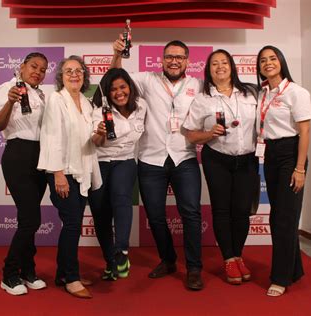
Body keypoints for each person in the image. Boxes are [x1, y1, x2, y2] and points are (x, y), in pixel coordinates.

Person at [111, 38, 204, 290]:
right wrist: (117, 54)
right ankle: (168, 259)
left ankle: (194, 268)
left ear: (187, 61)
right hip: (151, 159)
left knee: (192, 214)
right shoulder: (146, 80)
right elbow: (116, 78)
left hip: (184, 157)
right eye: (169, 57)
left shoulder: (197, 84)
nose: (174, 61)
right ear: (162, 60)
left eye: (180, 57)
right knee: (155, 216)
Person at [183, 49, 259, 285]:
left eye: (224, 62)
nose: (219, 67)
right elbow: (191, 135)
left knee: (242, 210)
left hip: (246, 159)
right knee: (222, 210)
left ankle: (238, 255)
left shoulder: (251, 93)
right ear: (208, 71)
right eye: (214, 64)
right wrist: (208, 133)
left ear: (232, 67)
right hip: (216, 158)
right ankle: (228, 258)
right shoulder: (202, 99)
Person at [37, 55, 102, 299]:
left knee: (71, 225)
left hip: (81, 172)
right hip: (63, 172)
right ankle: (71, 278)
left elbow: (90, 139)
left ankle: (64, 273)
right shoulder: (56, 99)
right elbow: (52, 137)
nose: (74, 74)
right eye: (68, 71)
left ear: (84, 76)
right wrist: (58, 174)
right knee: (73, 224)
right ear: (61, 77)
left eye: (78, 71)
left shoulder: (86, 103)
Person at [255, 46, 311, 297]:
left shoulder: (297, 92)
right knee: (280, 215)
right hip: (270, 154)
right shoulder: (263, 93)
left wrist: (300, 168)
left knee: (283, 219)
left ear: (281, 62)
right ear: (259, 67)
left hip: (291, 154)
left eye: (272, 58)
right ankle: (295, 269)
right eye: (263, 60)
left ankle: (280, 278)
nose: (268, 63)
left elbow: (305, 132)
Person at [0, 52, 49, 296]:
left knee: (29, 218)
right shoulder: (7, 87)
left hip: (41, 156)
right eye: (34, 66)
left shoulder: (43, 94)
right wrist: (10, 102)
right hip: (17, 154)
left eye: (43, 69)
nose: (38, 71)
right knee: (31, 220)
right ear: (22, 66)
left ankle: (28, 270)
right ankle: (9, 274)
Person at [89, 68, 147, 281]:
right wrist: (100, 134)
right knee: (101, 213)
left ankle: (121, 250)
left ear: (130, 87)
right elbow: (95, 142)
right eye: (113, 89)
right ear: (107, 93)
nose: (119, 92)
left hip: (125, 161)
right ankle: (110, 263)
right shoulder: (99, 111)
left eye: (123, 87)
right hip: (99, 163)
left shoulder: (141, 106)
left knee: (121, 197)